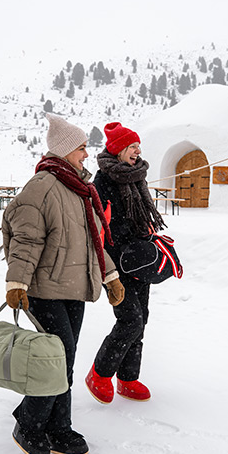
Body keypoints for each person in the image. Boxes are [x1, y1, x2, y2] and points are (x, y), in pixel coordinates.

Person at [2, 113, 125, 454]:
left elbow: (92, 241)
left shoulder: (78, 188)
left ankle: (58, 426)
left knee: (64, 361)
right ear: (65, 150)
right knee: (54, 361)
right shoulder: (42, 187)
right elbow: (25, 239)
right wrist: (17, 282)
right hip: (43, 289)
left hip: (74, 288)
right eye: (82, 148)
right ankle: (29, 422)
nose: (87, 154)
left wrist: (110, 276)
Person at [85, 122, 167, 404]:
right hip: (116, 265)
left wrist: (149, 242)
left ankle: (128, 378)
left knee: (141, 318)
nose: (138, 151)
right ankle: (99, 373)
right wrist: (110, 265)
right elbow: (98, 229)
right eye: (132, 146)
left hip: (140, 261)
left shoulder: (136, 177)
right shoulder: (102, 184)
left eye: (138, 146)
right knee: (129, 320)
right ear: (119, 149)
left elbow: (142, 217)